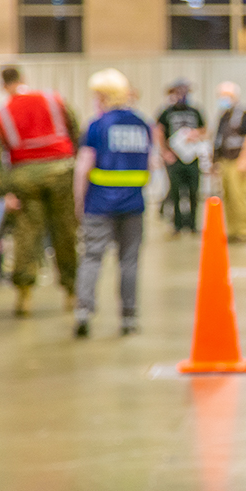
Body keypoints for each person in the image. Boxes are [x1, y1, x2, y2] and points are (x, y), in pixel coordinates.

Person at [0, 66, 80, 317]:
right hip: (61, 170)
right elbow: (76, 130)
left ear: (3, 85)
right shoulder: (53, 99)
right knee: (65, 231)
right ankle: (72, 291)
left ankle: (24, 295)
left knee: (26, 235)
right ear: (23, 79)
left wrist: (5, 190)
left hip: (24, 177)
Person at [72, 69, 152, 339]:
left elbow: (83, 168)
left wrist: (78, 202)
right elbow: (151, 165)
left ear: (104, 97)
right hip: (133, 204)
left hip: (99, 204)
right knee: (129, 261)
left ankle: (84, 312)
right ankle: (129, 316)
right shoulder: (143, 125)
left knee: (92, 258)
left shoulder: (97, 126)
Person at [155, 80, 205, 235]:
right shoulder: (166, 112)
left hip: (192, 158)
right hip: (174, 159)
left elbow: (204, 129)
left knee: (193, 192)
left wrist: (196, 134)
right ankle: (176, 225)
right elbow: (159, 132)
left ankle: (192, 224)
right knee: (175, 193)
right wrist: (164, 152)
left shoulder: (195, 111)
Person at [214, 81, 246, 243]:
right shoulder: (223, 115)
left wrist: (245, 159)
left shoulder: (243, 113)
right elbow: (218, 140)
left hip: (237, 160)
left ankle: (244, 230)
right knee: (228, 196)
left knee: (239, 196)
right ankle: (232, 230)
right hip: (224, 161)